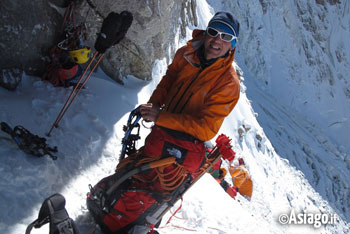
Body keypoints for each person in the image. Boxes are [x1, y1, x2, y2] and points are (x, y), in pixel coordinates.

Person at [138, 11, 241, 176]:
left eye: (226, 37)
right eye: (213, 32)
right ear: (206, 33)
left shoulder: (228, 83)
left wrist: (160, 117)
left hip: (182, 150)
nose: (217, 40)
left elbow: (205, 129)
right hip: (159, 135)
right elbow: (169, 80)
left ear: (233, 45)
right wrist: (153, 105)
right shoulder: (186, 54)